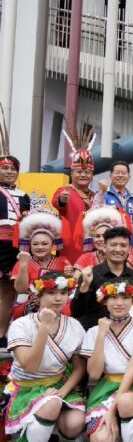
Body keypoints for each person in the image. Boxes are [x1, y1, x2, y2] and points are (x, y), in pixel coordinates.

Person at [4, 271, 86, 441]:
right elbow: (30, 366)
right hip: (26, 387)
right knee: (51, 404)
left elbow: (79, 368)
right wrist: (44, 328)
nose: (58, 298)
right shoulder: (21, 325)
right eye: (51, 292)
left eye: (63, 293)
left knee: (74, 423)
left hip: (57, 384)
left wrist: (61, 392)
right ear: (38, 295)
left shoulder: (74, 325)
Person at [81, 279, 133, 441]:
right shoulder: (94, 331)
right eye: (113, 297)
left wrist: (112, 411)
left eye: (125, 297)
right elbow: (94, 374)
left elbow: (132, 370)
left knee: (125, 401)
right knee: (101, 438)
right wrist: (101, 335)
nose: (119, 303)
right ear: (104, 300)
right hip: (106, 387)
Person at [12, 204, 73, 319]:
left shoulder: (63, 261)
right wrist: (23, 266)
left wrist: (71, 275)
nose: (40, 247)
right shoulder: (23, 262)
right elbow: (20, 289)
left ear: (53, 245)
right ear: (30, 245)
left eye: (44, 244)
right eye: (35, 244)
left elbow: (70, 288)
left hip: (58, 301)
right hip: (32, 303)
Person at [72, 226, 133, 330]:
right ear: (104, 247)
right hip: (93, 332)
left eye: (123, 245)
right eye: (113, 245)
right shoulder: (90, 275)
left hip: (125, 333)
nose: (118, 249)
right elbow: (76, 312)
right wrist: (84, 286)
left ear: (129, 248)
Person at [52, 121, 97, 264]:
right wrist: (62, 200)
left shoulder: (95, 195)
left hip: (93, 245)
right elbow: (57, 202)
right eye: (79, 172)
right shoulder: (66, 191)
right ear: (72, 173)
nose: (83, 175)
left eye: (87, 172)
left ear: (92, 175)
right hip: (71, 246)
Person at [0, 149, 30, 351]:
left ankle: (2, 333)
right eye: (5, 168)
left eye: (13, 169)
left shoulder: (23, 195)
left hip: (15, 246)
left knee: (9, 291)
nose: (10, 172)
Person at [73, 205, 132, 274]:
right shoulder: (86, 258)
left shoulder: (124, 257)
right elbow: (76, 278)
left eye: (104, 236)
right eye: (97, 236)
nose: (101, 239)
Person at [93, 161, 133, 244]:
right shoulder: (103, 195)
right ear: (110, 176)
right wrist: (101, 192)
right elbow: (94, 215)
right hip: (111, 245)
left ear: (129, 177)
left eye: (123, 173)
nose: (120, 175)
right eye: (117, 172)